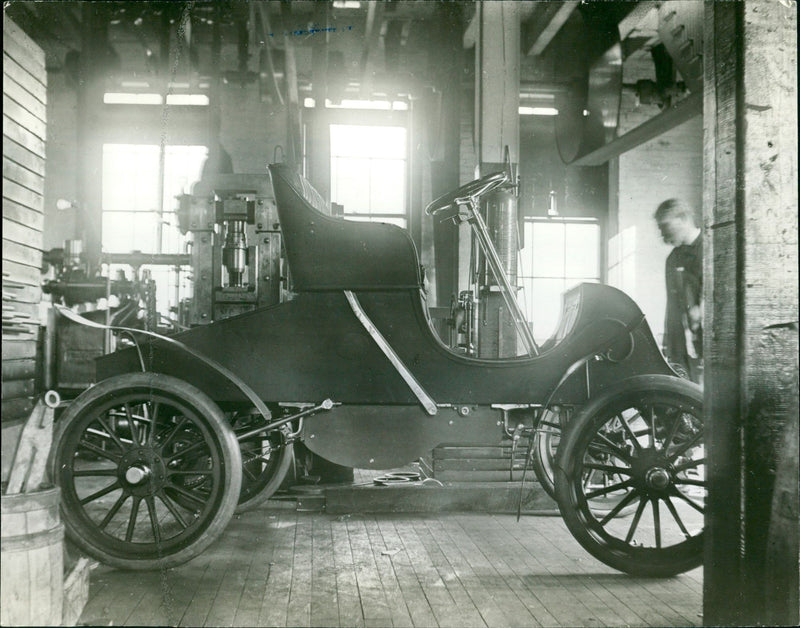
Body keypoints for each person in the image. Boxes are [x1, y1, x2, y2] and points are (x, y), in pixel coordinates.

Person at [655, 199, 703, 384]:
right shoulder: (672, 260)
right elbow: (672, 307)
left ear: (682, 218)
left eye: (665, 226)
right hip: (682, 346)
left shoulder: (712, 249)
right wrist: (670, 345)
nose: (662, 234)